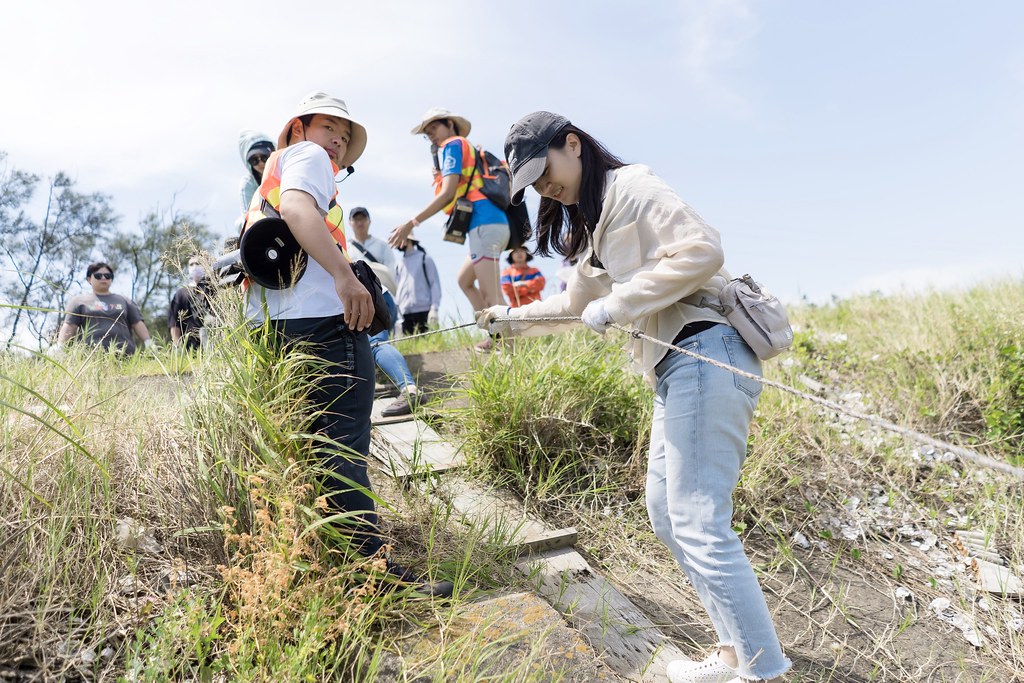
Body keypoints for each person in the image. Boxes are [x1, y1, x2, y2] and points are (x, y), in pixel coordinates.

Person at [477, 112, 790, 683]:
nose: (542, 187)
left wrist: (619, 305)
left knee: (697, 519)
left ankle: (764, 671)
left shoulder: (632, 187)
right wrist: (508, 319)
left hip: (707, 351)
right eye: (531, 182)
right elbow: (575, 306)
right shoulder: (594, 227)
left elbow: (702, 250)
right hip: (677, 370)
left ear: (572, 144)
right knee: (667, 514)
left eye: (544, 170)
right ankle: (732, 654)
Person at [241, 92, 451, 597]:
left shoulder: (266, 178)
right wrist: (345, 276)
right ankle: (373, 575)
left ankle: (324, 568)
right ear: (298, 129)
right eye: (328, 126)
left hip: (272, 328)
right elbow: (297, 207)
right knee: (342, 450)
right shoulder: (308, 159)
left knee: (310, 451)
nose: (336, 139)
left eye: (343, 133)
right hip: (326, 326)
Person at [388, 108, 508, 351]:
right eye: (427, 133)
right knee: (464, 280)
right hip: (489, 224)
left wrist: (412, 222)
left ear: (450, 124)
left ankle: (509, 349)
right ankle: (494, 335)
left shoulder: (452, 144)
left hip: (484, 223)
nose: (431, 136)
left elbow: (448, 194)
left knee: (492, 295)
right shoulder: (465, 146)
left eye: (434, 129)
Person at [347, 207, 421, 417]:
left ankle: (409, 389)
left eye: (363, 219)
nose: (360, 223)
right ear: (351, 222)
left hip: (377, 296)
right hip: (361, 300)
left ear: (369, 221)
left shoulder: (380, 246)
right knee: (368, 344)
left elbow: (391, 276)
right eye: (356, 219)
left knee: (376, 342)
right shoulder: (346, 246)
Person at [57, 262, 154, 355]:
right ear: (89, 279)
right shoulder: (78, 301)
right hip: (89, 358)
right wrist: (60, 345)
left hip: (125, 356)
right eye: (98, 276)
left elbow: (137, 323)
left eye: (107, 276)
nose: (103, 278)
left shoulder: (125, 301)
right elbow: (70, 326)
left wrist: (148, 341)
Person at [394, 232, 441, 336]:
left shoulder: (425, 259)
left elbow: (434, 284)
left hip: (424, 311)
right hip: (404, 314)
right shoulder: (399, 264)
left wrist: (434, 308)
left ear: (408, 240)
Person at [168, 255, 214, 352]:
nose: (194, 267)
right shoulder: (181, 294)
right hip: (190, 349)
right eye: (191, 264)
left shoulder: (212, 288)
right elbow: (174, 323)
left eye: (198, 263)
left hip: (214, 346)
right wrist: (177, 347)